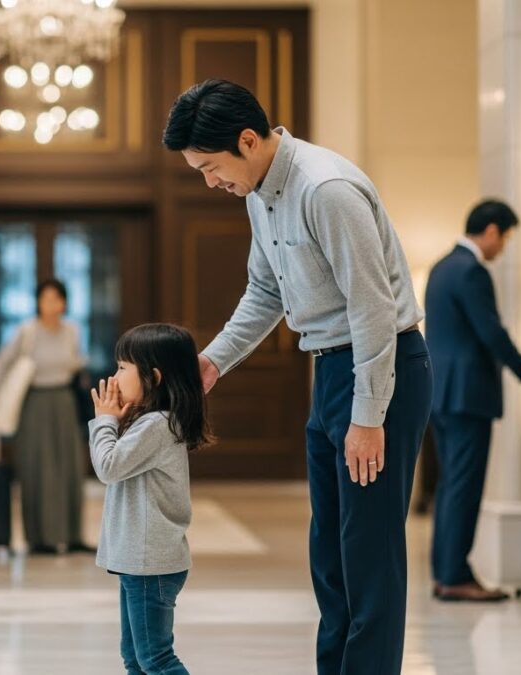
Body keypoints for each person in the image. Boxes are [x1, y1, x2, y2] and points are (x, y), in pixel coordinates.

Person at [163, 80, 431, 675]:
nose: (210, 183)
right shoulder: (261, 193)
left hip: (381, 371)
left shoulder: (324, 189)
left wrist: (369, 416)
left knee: (368, 558)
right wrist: (212, 361)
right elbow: (264, 292)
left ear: (249, 140)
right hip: (332, 370)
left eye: (210, 168)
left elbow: (372, 310)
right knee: (331, 557)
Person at [424, 199, 521, 602]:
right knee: (464, 487)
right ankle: (456, 576)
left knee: (449, 486)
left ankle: (445, 572)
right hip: (467, 395)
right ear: (492, 230)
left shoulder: (442, 267)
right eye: (507, 238)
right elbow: (491, 332)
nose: (504, 249)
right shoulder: (472, 272)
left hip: (440, 393)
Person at [89, 323, 211, 675]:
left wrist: (104, 422)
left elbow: (108, 466)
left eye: (123, 368)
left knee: (155, 659)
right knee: (136, 658)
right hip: (141, 563)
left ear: (153, 377)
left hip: (149, 564)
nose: (114, 377)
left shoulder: (157, 424)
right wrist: (117, 422)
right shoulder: (149, 421)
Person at [0, 279, 92, 555]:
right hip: (35, 403)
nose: (51, 304)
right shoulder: (27, 331)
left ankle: (73, 536)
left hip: (64, 402)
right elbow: (3, 362)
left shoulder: (72, 331)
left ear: (64, 302)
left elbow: (78, 364)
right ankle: (39, 538)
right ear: (38, 302)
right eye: (46, 299)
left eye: (57, 299)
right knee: (38, 469)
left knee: (70, 468)